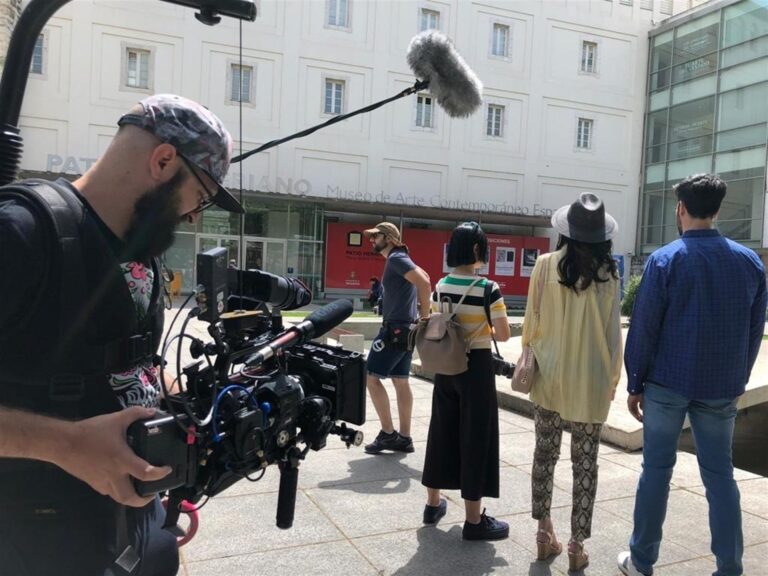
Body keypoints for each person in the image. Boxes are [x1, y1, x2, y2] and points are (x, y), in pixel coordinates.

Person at [0, 94, 244, 576]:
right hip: (34, 537)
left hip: (132, 526)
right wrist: (66, 444)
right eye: (200, 197)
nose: (194, 216)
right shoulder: (19, 234)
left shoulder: (140, 251)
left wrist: (186, 396)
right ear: (163, 161)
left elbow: (130, 362)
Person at [618, 174, 766, 576]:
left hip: (667, 383)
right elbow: (754, 330)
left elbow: (644, 327)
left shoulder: (665, 259)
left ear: (681, 208)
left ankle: (642, 561)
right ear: (717, 210)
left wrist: (635, 382)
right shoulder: (749, 261)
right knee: (720, 476)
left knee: (656, 471)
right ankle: (730, 567)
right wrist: (739, 378)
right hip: (720, 387)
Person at [525, 193, 623, 572]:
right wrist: (612, 379)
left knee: (544, 454)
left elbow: (531, 323)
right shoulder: (609, 274)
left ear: (565, 231)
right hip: (590, 381)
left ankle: (543, 534)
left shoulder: (545, 265)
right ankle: (576, 546)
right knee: (585, 464)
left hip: (549, 375)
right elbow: (613, 335)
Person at [421, 222, 512, 540]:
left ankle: (432, 504)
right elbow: (503, 333)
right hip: (476, 368)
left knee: (441, 431)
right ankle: (473, 520)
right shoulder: (488, 288)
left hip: (445, 364)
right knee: (476, 437)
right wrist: (483, 325)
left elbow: (438, 321)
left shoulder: (441, 284)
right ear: (476, 249)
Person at [362, 222, 431, 454]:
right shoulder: (401, 257)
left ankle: (388, 434)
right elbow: (425, 275)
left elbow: (424, 282)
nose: (372, 240)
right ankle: (404, 437)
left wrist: (425, 317)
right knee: (401, 381)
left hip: (395, 330)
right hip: (405, 330)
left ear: (389, 238)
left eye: (376, 236)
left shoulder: (396, 259)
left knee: (370, 377)